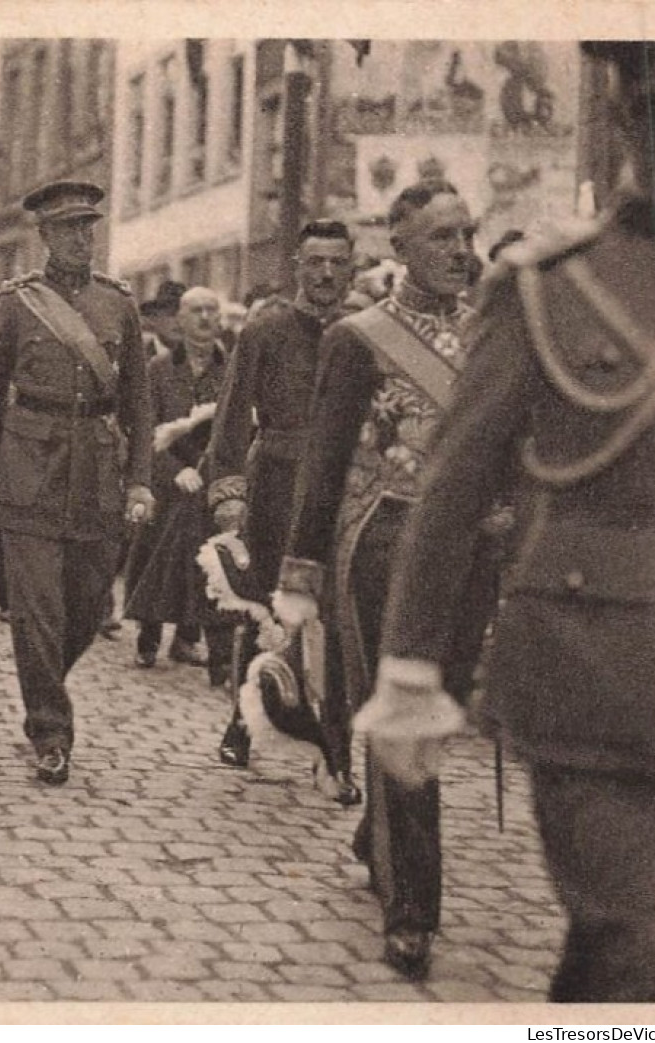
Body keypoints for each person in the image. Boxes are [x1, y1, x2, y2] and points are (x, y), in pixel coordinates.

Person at [366, 40, 655, 1002]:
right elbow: (452, 487)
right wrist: (410, 671)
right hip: (598, 685)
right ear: (628, 121)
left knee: (617, 966)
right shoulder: (551, 286)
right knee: (647, 945)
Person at [273, 179, 494, 981]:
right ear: (397, 247)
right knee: (405, 716)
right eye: (440, 236)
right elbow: (322, 466)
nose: (460, 251)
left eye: (466, 233)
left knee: (440, 717)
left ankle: (379, 834)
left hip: (473, 551)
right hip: (382, 545)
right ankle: (412, 912)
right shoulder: (358, 339)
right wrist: (299, 573)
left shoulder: (493, 331)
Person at [0, 181, 153, 786]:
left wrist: (141, 481)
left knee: (92, 602)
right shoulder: (18, 306)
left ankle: (44, 687)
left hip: (96, 470)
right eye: (69, 229)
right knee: (37, 611)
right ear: (43, 236)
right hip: (29, 469)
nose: (82, 239)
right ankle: (51, 729)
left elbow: (139, 404)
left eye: (88, 228)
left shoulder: (118, 303)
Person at [205, 219, 357, 790]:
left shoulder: (364, 331)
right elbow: (231, 414)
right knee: (268, 609)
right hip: (277, 482)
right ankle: (243, 725)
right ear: (296, 265)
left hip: (344, 487)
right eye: (314, 261)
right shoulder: (265, 330)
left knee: (337, 618)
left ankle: (336, 753)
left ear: (351, 268)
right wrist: (228, 492)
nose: (325, 274)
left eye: (336, 263)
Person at [124, 286, 229, 671]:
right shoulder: (159, 370)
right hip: (165, 478)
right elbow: (144, 430)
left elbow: (239, 430)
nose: (204, 318)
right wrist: (174, 470)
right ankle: (148, 636)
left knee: (203, 558)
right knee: (156, 549)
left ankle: (188, 638)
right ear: (179, 320)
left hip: (210, 481)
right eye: (195, 311)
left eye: (211, 310)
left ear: (220, 320)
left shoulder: (232, 369)